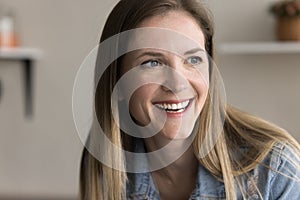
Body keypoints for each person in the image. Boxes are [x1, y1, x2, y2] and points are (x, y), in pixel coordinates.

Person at [79, 0, 300, 199]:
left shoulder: (274, 169)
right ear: (116, 81)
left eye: (193, 59)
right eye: (152, 62)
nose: (177, 84)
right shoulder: (106, 160)